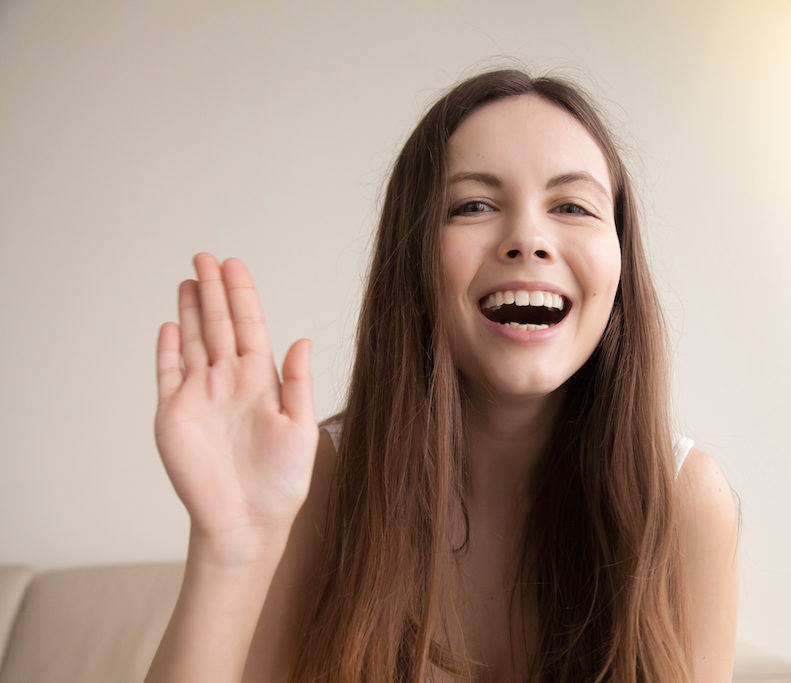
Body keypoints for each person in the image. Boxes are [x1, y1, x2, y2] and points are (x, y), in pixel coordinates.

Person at [146, 68, 739, 683]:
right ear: (414, 258)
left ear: (619, 260)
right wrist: (229, 548)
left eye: (572, 206)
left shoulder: (685, 500)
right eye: (474, 205)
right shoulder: (316, 480)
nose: (528, 239)